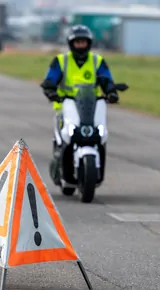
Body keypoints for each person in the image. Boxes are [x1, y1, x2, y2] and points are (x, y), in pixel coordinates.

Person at [40, 24, 119, 183]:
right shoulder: (61, 61)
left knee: (100, 135)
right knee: (66, 137)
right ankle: (61, 168)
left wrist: (111, 92)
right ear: (71, 44)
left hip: (92, 107)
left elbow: (106, 80)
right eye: (77, 42)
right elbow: (50, 79)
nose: (81, 45)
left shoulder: (97, 61)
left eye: (83, 42)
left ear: (89, 44)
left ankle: (97, 172)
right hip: (66, 106)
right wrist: (50, 91)